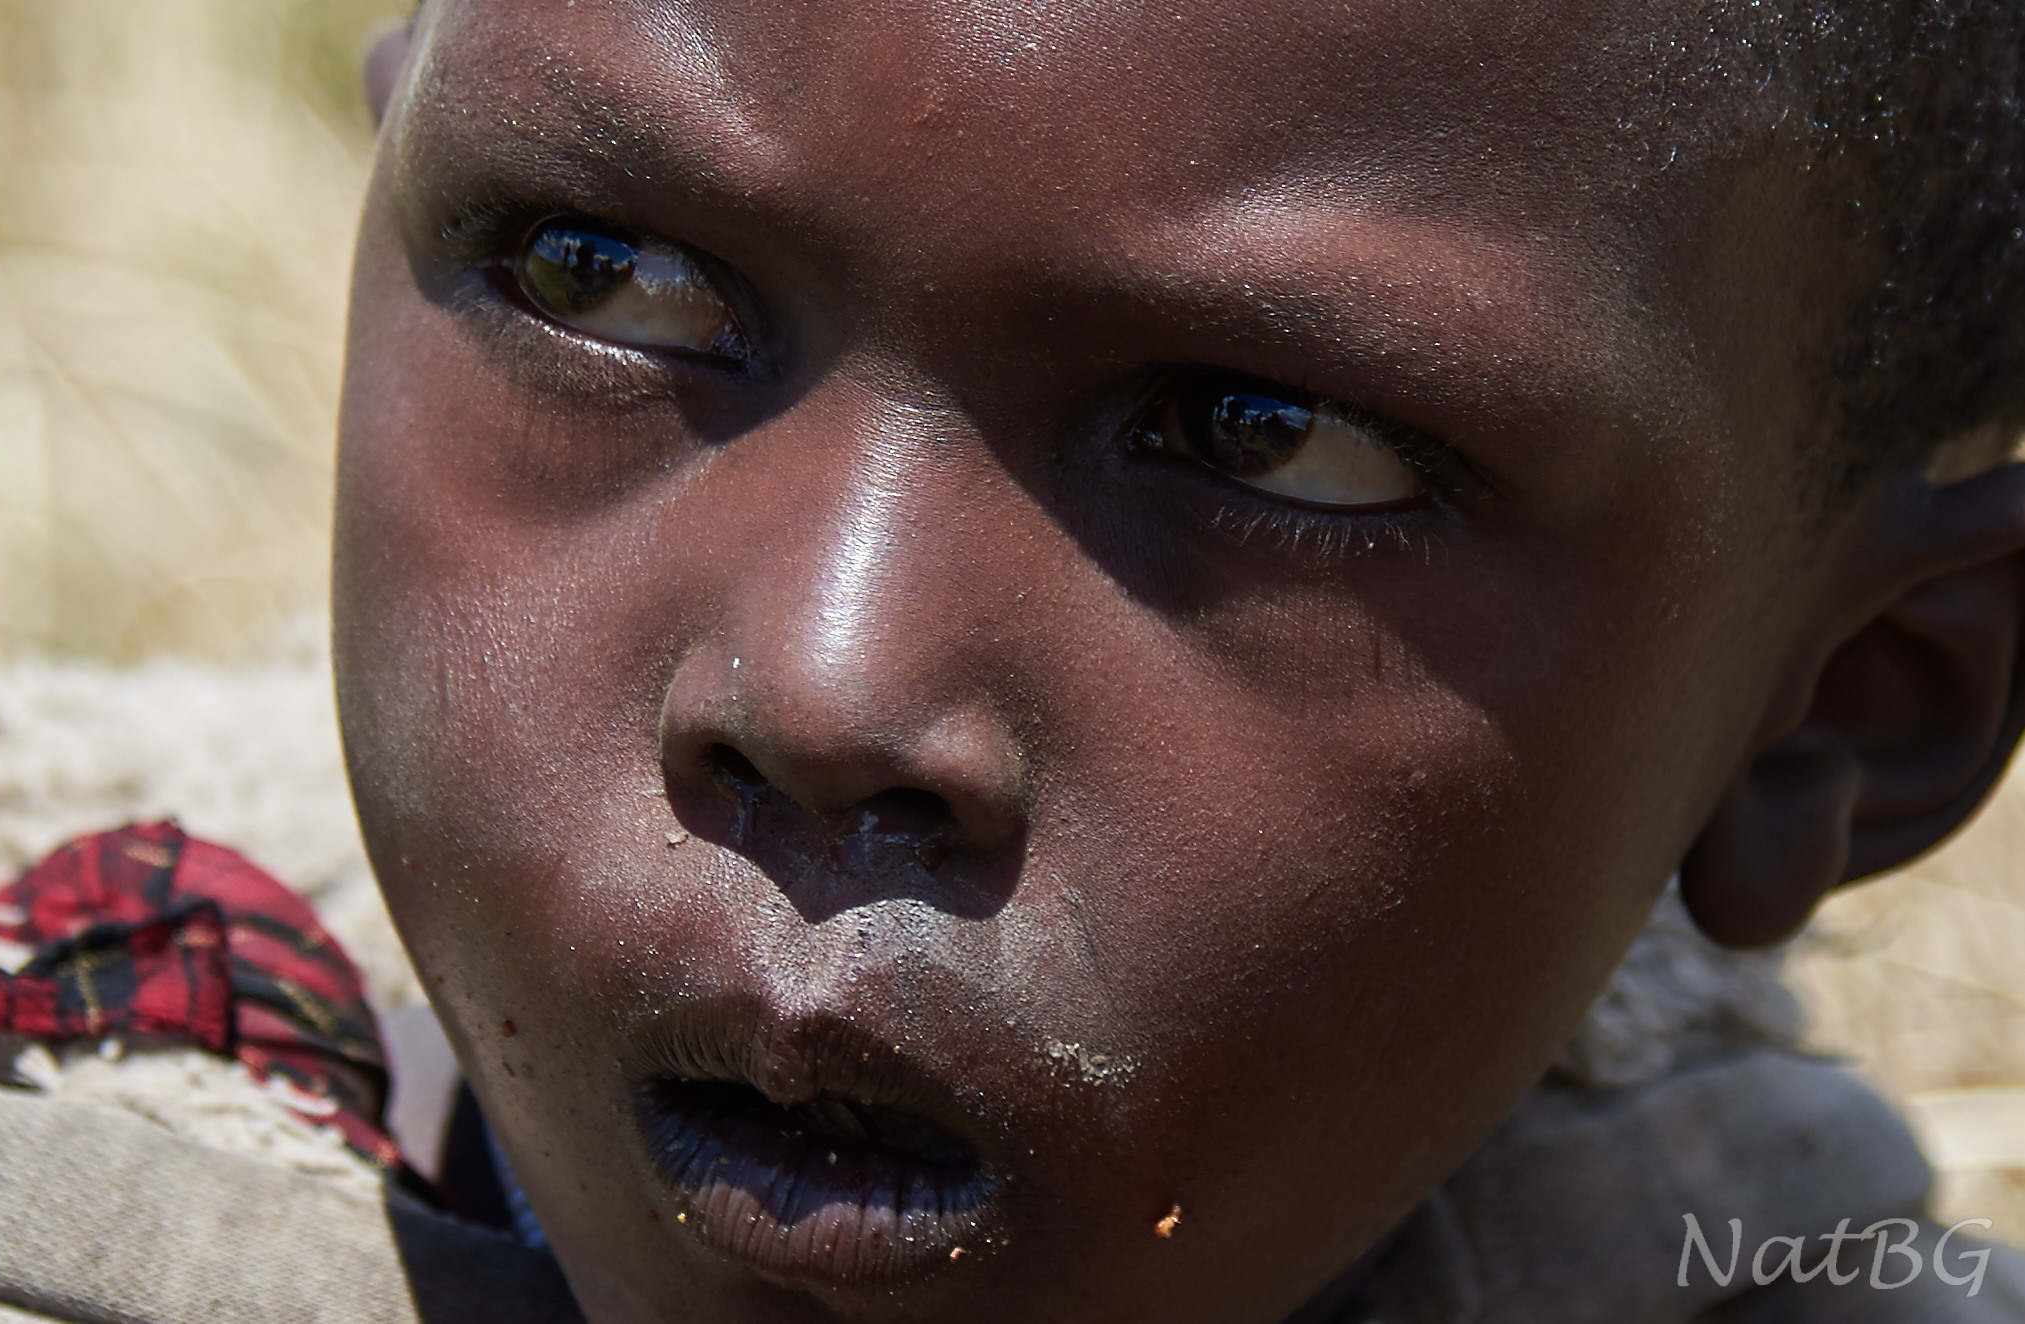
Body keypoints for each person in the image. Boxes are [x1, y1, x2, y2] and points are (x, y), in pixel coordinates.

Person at [329, 0, 2025, 1320]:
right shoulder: (90, 1095)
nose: (825, 698)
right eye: (601, 272)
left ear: (1846, 709)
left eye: (1265, 438)